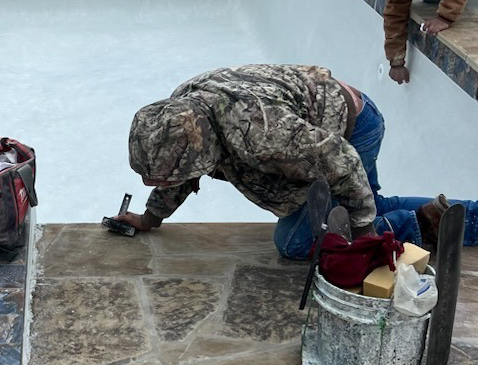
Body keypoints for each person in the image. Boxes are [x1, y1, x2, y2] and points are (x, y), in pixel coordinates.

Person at [119, 63, 478, 259]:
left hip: (351, 132)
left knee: (296, 242)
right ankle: (469, 216)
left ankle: (423, 223)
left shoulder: (260, 134)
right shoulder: (182, 112)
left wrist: (364, 238)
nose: (156, 184)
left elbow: (343, 162)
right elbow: (182, 167)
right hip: (325, 119)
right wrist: (151, 218)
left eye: (163, 179)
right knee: (372, 204)